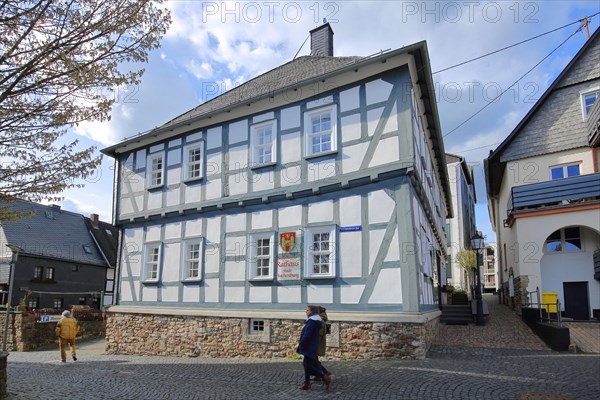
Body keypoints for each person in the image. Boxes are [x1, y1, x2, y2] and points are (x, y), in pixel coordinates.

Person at [297, 305, 332, 390]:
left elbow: (307, 336)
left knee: (308, 366)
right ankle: (307, 383)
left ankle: (324, 376)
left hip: (309, 346)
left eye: (308, 310)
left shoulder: (312, 322)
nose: (306, 311)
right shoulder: (313, 321)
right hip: (312, 346)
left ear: (312, 312)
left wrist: (301, 344)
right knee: (307, 365)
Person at [316, 306, 332, 379]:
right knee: (314, 360)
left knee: (313, 360)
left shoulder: (320, 320)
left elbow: (319, 333)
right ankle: (321, 374)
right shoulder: (320, 318)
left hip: (317, 343)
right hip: (317, 343)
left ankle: (324, 374)